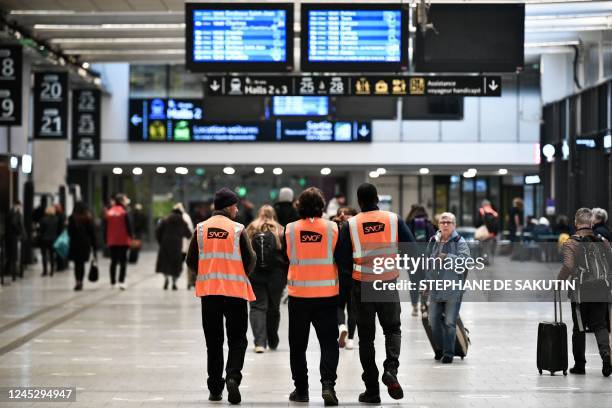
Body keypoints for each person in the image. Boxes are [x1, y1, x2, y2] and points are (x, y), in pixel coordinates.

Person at [336, 183, 415, 403]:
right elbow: (411, 247)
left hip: (362, 285)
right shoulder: (393, 219)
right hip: (387, 282)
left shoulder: (350, 225)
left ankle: (372, 390)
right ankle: (391, 369)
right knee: (392, 329)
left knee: (366, 339)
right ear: (377, 198)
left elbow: (341, 259)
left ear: (359, 201)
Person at [185, 187, 255, 405]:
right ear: (228, 206)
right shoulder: (237, 229)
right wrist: (238, 273)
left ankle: (215, 388)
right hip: (235, 293)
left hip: (210, 294)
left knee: (213, 342)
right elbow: (250, 259)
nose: (237, 209)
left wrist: (206, 272)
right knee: (237, 339)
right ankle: (233, 377)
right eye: (235, 205)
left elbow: (190, 260)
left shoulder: (201, 228)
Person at [285, 187, 340, 406]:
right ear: (322, 206)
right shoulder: (332, 228)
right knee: (328, 343)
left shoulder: (290, 229)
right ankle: (328, 385)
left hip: (299, 295)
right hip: (327, 295)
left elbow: (287, 256)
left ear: (299, 206)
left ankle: (301, 390)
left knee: (298, 345)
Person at [558, 208, 612, 378]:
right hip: (601, 288)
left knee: (579, 328)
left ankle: (580, 365)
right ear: (590, 223)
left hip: (580, 291)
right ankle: (607, 359)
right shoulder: (602, 241)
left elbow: (568, 266)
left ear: (576, 223)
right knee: (600, 325)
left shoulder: (571, 242)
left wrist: (559, 282)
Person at [425, 212, 471, 364]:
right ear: (438, 225)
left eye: (448, 222)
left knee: (450, 322)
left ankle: (448, 353)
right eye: (442, 222)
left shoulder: (460, 242)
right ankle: (440, 348)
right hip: (435, 288)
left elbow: (465, 262)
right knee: (433, 321)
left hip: (453, 289)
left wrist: (448, 257)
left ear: (454, 225)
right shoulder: (433, 241)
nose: (445, 224)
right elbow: (427, 264)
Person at [246, 205, 288, 353]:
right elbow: (286, 254)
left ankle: (259, 343)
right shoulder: (280, 229)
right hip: (276, 275)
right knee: (274, 307)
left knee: (257, 306)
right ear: (273, 214)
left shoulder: (251, 228)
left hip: (255, 273)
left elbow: (244, 252)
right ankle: (272, 339)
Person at [332, 206, 358, 350]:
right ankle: (351, 339)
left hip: (338, 273)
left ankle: (341, 325)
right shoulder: (356, 230)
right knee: (353, 308)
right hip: (355, 273)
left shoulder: (334, 228)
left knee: (339, 305)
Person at [405, 205, 436, 316]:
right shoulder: (429, 225)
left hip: (411, 259)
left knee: (413, 283)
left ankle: (414, 307)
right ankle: (423, 304)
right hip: (426, 259)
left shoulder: (407, 225)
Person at [155, 204, 192, 290]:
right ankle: (174, 282)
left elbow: (157, 231)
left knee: (165, 264)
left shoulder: (165, 219)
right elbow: (189, 234)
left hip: (165, 244)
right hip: (177, 246)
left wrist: (160, 241)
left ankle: (166, 278)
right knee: (176, 265)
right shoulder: (182, 221)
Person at [104, 193, 133, 290]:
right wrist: (131, 236)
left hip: (112, 240)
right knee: (123, 262)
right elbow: (128, 226)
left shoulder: (109, 212)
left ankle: (112, 282)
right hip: (123, 240)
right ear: (121, 201)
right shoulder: (124, 212)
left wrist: (106, 239)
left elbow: (105, 227)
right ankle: (121, 281)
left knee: (113, 261)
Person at [67, 202, 97, 291]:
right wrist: (94, 247)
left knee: (77, 264)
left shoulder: (72, 218)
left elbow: (69, 232)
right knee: (82, 264)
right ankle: (81, 281)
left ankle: (77, 281)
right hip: (85, 244)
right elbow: (92, 233)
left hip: (74, 244)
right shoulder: (88, 218)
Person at [6, 202, 25, 279]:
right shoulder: (16, 213)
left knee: (12, 256)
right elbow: (15, 223)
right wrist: (20, 232)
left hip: (10, 237)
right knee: (15, 256)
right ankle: (15, 274)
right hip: (15, 237)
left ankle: (13, 273)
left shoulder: (10, 213)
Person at [39, 206, 59, 277]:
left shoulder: (43, 219)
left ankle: (45, 271)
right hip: (53, 239)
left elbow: (41, 230)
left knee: (44, 255)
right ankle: (52, 271)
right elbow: (57, 229)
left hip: (44, 239)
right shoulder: (56, 219)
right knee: (51, 255)